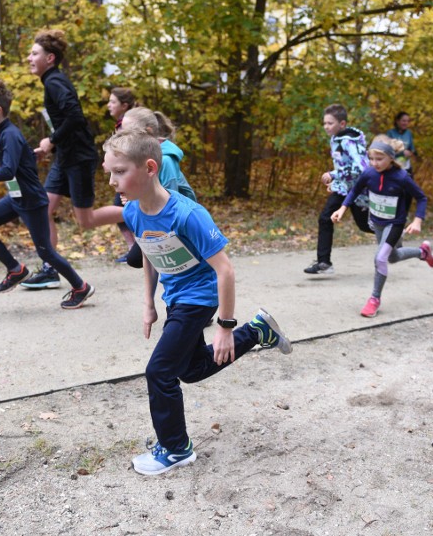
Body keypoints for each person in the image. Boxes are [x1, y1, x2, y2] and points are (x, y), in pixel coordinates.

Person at [102, 128, 292, 476]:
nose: (112, 181)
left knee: (159, 371)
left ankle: (176, 449)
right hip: (176, 297)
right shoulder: (134, 211)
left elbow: (226, 271)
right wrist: (148, 302)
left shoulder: (189, 214)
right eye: (109, 172)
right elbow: (147, 251)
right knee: (188, 370)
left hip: (200, 297)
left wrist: (224, 326)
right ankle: (259, 331)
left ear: (148, 168)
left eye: (119, 172)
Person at [0, 79, 94, 309]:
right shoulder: (2, 133)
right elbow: (18, 163)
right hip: (16, 198)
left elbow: (8, 170)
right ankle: (15, 269)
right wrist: (30, 155)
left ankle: (81, 287)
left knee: (46, 252)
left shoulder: (8, 134)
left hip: (31, 201)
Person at [19, 29, 124, 290]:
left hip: (78, 158)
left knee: (85, 220)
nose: (29, 58)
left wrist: (51, 140)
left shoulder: (55, 82)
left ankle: (147, 212)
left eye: (34, 53)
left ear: (50, 58)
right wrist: (51, 148)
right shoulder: (51, 81)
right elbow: (69, 121)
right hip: (65, 158)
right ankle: (50, 267)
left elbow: (75, 117)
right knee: (44, 209)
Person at [331, 135, 433, 318]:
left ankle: (374, 299)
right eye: (371, 159)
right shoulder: (369, 173)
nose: (375, 163)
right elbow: (355, 190)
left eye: (379, 159)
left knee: (380, 258)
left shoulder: (401, 177)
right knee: (392, 257)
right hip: (377, 222)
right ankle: (423, 252)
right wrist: (342, 208)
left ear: (391, 158)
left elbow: (421, 198)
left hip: (394, 224)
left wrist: (418, 220)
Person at [118, 107, 197, 270]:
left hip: (181, 222)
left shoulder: (166, 161)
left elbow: (170, 202)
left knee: (136, 258)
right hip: (155, 217)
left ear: (148, 131)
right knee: (136, 259)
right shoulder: (141, 156)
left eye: (128, 132)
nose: (124, 137)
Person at [304, 104, 372, 275]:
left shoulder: (349, 141)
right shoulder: (336, 138)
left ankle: (393, 234)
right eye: (324, 123)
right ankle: (324, 263)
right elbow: (345, 165)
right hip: (343, 189)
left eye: (330, 123)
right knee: (325, 218)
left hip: (358, 191)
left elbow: (362, 168)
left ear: (342, 124)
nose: (326, 126)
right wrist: (336, 180)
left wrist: (334, 174)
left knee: (364, 225)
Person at [108, 87, 138, 262]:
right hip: (122, 175)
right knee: (121, 211)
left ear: (124, 105)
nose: (109, 105)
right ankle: (133, 249)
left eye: (113, 102)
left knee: (121, 211)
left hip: (131, 176)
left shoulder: (130, 125)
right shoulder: (120, 124)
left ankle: (139, 248)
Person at [386, 111, 418, 213]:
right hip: (394, 168)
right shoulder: (390, 133)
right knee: (394, 192)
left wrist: (411, 152)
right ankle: (392, 215)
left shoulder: (408, 133)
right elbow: (387, 151)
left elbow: (412, 148)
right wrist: (401, 152)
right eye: (403, 121)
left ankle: (403, 216)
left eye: (407, 121)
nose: (405, 123)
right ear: (397, 121)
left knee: (409, 192)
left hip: (406, 167)